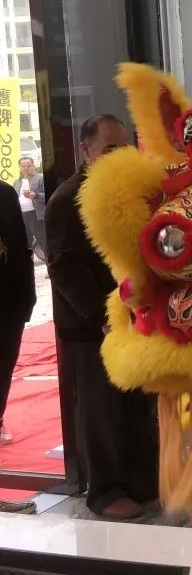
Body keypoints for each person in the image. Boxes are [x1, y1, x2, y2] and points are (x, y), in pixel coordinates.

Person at [45, 115, 157, 520]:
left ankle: (142, 481)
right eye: (109, 149)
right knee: (100, 411)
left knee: (137, 406)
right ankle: (104, 492)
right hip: (91, 328)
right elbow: (63, 268)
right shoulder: (67, 200)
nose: (119, 157)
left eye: (124, 148)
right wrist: (100, 315)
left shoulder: (126, 193)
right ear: (86, 151)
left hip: (131, 321)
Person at [0, 179, 35, 446]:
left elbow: (21, 247)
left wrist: (27, 298)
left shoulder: (5, 194)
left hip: (8, 297)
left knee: (4, 361)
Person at [15, 157, 45, 259]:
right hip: (22, 216)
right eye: (23, 166)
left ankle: (50, 265)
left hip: (37, 216)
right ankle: (29, 266)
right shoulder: (17, 182)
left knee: (43, 242)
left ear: (33, 166)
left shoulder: (41, 178)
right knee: (26, 244)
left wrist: (36, 195)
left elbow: (50, 195)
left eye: (28, 166)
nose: (25, 168)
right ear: (19, 167)